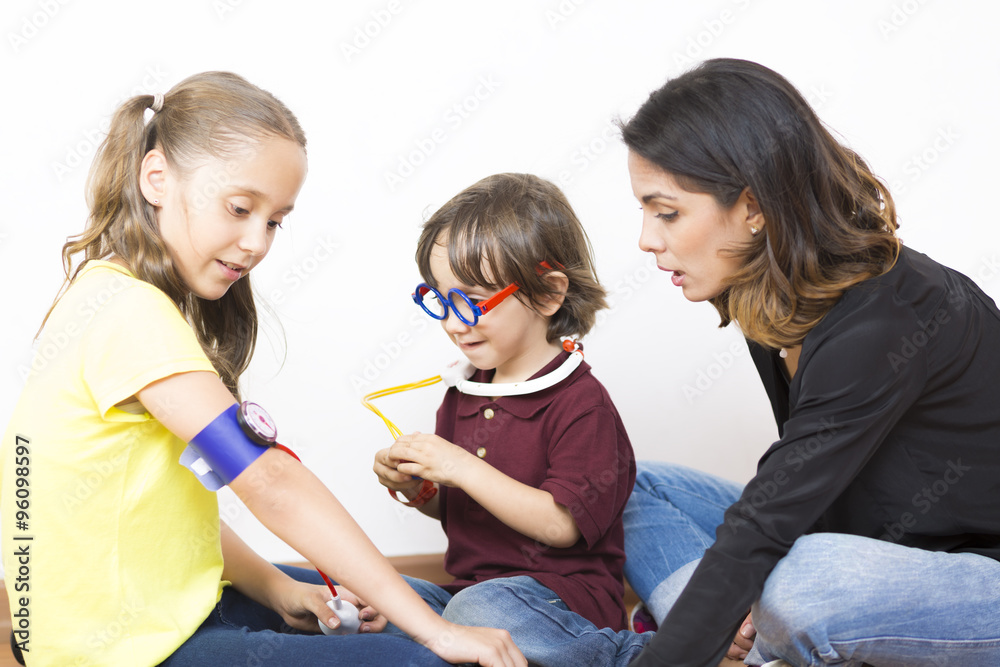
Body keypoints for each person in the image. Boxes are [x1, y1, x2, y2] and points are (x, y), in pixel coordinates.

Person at [0, 71, 526, 667]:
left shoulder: (109, 293)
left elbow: (163, 514)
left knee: (417, 607)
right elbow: (269, 482)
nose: (256, 243)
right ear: (156, 179)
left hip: (145, 609)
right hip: (115, 648)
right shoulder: (129, 314)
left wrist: (280, 590)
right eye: (240, 208)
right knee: (427, 650)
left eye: (274, 221)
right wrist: (438, 635)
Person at [618, 58, 1000, 667]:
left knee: (803, 583)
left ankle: (718, 636)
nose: (646, 238)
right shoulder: (769, 295)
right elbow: (800, 496)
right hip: (864, 543)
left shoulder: (889, 318)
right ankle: (738, 638)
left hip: (976, 582)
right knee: (627, 485)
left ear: (753, 207)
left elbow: (768, 521)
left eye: (666, 212)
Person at [372, 173, 650, 666]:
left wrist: (459, 466)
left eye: (474, 300)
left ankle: (632, 655)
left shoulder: (581, 403)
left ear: (547, 295)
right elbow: (466, 508)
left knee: (480, 606)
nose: (454, 323)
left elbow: (560, 525)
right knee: (390, 599)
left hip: (559, 600)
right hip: (470, 593)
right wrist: (423, 491)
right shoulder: (465, 392)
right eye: (440, 298)